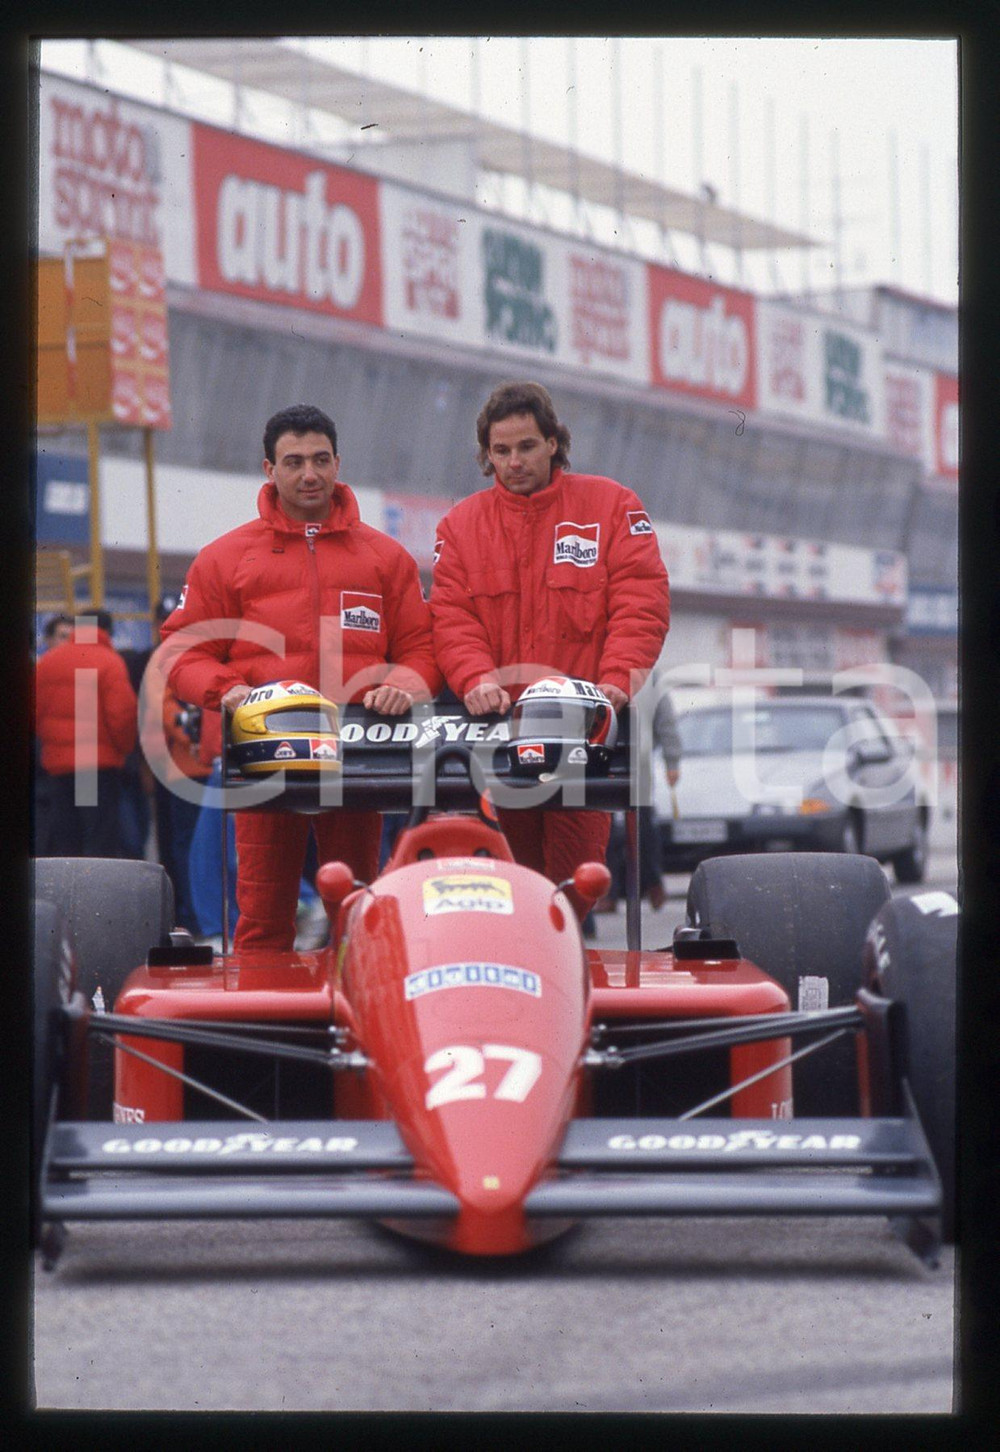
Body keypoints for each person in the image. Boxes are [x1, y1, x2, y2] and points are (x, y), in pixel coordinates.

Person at [159, 403, 441, 950]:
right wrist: (228, 690)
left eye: (319, 459)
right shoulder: (224, 558)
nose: (308, 473)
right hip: (263, 753)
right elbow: (182, 652)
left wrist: (405, 684)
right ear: (269, 469)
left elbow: (421, 649)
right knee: (262, 919)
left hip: (358, 757)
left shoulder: (386, 559)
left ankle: (360, 1027)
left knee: (356, 912)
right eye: (293, 462)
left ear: (338, 462)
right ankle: (268, 1026)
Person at [430, 380, 670, 916]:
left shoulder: (611, 506)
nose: (514, 462)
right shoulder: (462, 525)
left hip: (582, 734)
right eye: (501, 451)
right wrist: (475, 679)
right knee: (507, 893)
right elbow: (451, 617)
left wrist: (614, 686)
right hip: (495, 737)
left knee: (574, 893)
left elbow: (641, 605)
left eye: (526, 447)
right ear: (486, 455)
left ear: (554, 443)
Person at [34, 607, 138, 858]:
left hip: (59, 768)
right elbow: (122, 716)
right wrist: (122, 750)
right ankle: (94, 897)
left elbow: (35, 711)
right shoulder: (109, 662)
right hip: (94, 768)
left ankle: (67, 897)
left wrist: (52, 743)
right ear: (107, 632)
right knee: (98, 842)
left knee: (68, 841)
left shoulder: (48, 661)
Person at [33, 612, 77, 853]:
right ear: (48, 640)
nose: (67, 643)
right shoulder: (37, 673)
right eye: (62, 637)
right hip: (42, 773)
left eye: (72, 638)